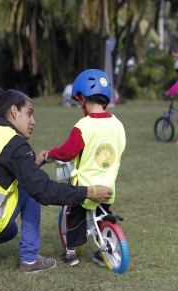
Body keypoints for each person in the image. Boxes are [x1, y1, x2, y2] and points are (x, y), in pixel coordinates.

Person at [0, 87, 113, 274]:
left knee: (11, 231)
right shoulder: (14, 143)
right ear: (14, 111)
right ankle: (30, 259)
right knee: (31, 190)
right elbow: (43, 191)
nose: (33, 121)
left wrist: (33, 163)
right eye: (29, 114)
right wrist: (89, 192)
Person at [44, 69, 126, 267]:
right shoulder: (117, 124)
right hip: (107, 186)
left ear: (83, 98)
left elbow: (67, 152)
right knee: (102, 216)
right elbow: (120, 148)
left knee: (75, 215)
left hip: (86, 187)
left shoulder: (84, 125)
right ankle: (102, 251)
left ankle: (71, 253)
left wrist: (51, 154)